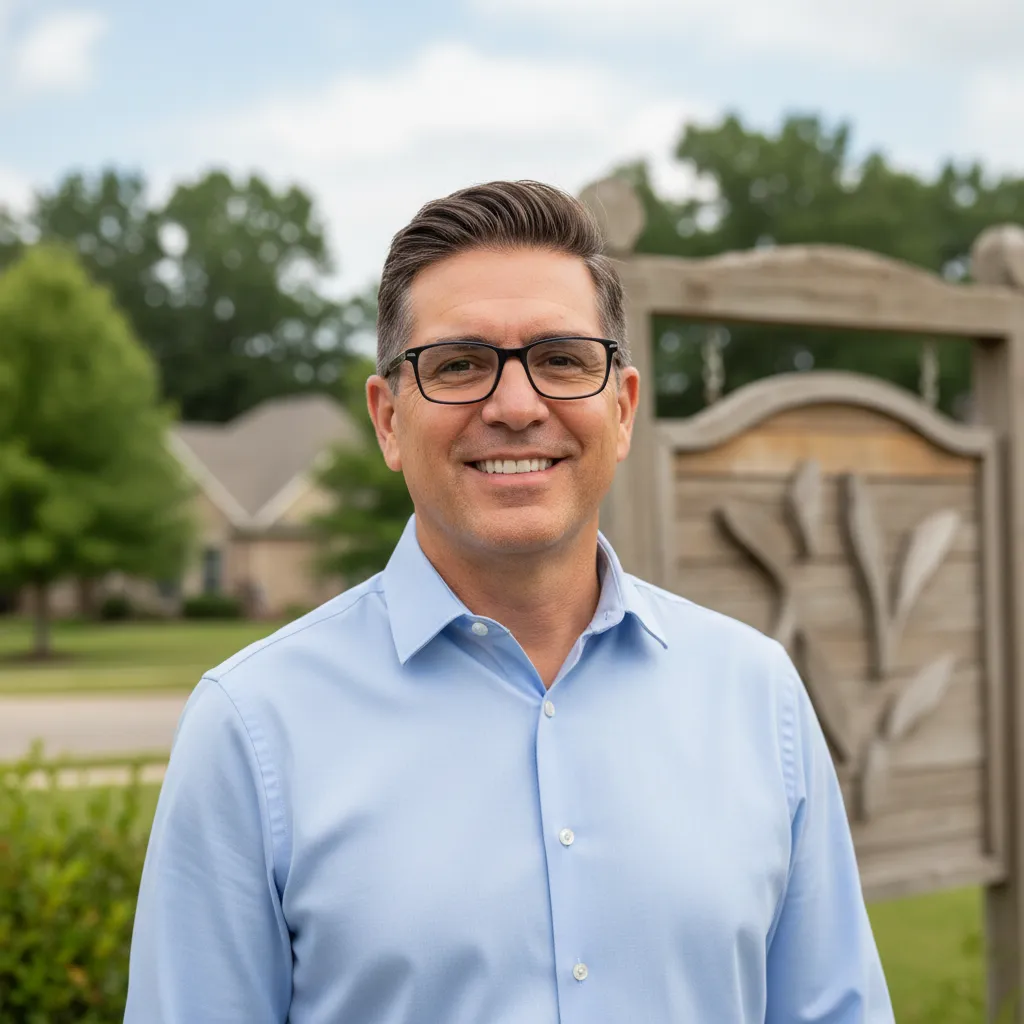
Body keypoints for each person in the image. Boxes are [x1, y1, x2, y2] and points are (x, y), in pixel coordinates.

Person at [125, 180, 894, 1022]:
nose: (517, 406)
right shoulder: (253, 728)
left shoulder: (757, 696)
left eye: (562, 359)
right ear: (388, 421)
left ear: (624, 408)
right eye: (459, 365)